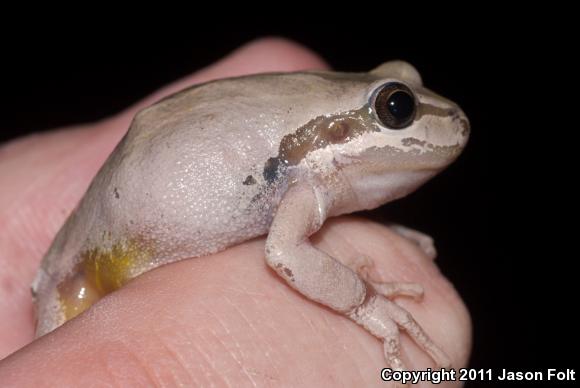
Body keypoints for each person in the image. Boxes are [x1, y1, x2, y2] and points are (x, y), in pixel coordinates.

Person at [0, 38, 470, 386]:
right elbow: (286, 252)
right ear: (337, 132)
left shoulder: (315, 182)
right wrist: (364, 300)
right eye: (396, 108)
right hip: (84, 275)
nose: (444, 117)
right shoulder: (308, 180)